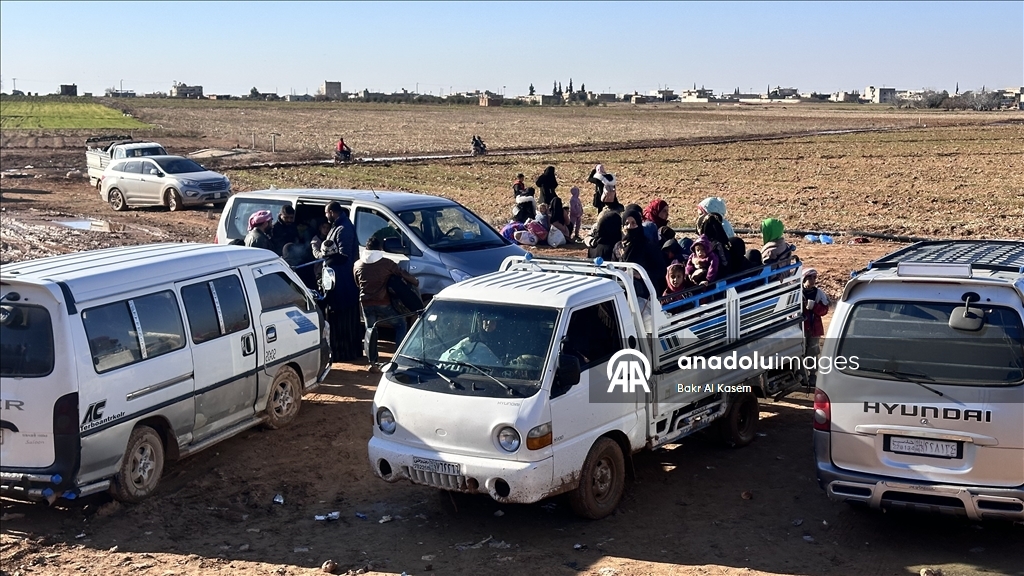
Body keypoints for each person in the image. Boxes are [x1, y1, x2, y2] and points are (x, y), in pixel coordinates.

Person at [353, 236, 419, 363]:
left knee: (370, 331)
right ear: (379, 248)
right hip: (384, 302)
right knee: (401, 325)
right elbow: (402, 273)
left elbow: (357, 283)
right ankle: (398, 358)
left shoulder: (357, 264)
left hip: (365, 303)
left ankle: (372, 362)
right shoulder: (387, 263)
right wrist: (415, 281)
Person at [320, 239, 363, 362]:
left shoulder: (328, 265)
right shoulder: (348, 260)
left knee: (339, 330)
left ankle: (340, 355)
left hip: (337, 302)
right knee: (352, 327)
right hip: (352, 299)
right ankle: (354, 353)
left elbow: (328, 286)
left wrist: (324, 300)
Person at [801, 268, 830, 384]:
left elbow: (824, 310)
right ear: (804, 278)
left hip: (814, 328)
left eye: (814, 277)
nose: (813, 280)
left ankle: (812, 375)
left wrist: (814, 307)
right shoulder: (798, 293)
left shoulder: (819, 294)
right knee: (800, 351)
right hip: (801, 328)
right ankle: (802, 375)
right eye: (810, 277)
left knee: (812, 352)